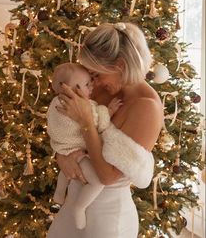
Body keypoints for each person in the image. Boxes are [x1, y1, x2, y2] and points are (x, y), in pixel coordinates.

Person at [47, 22, 164, 238]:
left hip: (108, 219)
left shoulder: (147, 106)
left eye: (97, 74)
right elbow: (63, 129)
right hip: (71, 207)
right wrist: (61, 156)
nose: (93, 82)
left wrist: (86, 123)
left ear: (119, 65)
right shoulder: (96, 86)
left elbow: (107, 176)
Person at [47, 62, 122, 229]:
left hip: (63, 148)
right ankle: (79, 207)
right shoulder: (82, 105)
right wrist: (108, 111)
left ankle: (59, 196)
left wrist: (61, 151)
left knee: (64, 173)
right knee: (97, 182)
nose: (92, 86)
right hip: (77, 151)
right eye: (87, 84)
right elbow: (98, 124)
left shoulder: (54, 103)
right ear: (68, 88)